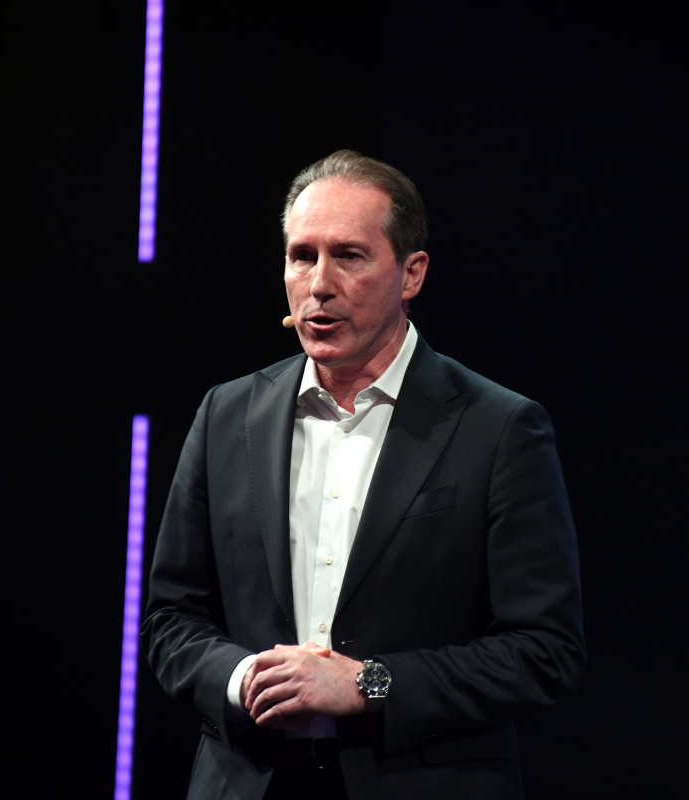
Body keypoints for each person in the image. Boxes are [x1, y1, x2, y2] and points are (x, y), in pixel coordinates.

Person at [142, 150, 584, 799]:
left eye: (348, 256)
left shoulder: (498, 427)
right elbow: (170, 620)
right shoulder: (226, 415)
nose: (319, 284)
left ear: (411, 273)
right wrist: (244, 680)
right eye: (302, 256)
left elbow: (545, 651)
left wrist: (368, 684)